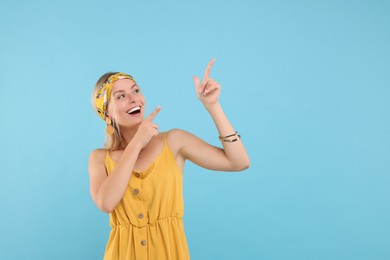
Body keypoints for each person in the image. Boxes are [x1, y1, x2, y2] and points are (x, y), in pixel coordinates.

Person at [88, 58, 250, 260]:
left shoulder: (174, 141)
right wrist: (136, 144)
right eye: (121, 96)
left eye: (136, 90)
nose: (133, 99)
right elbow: (106, 203)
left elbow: (239, 162)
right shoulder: (99, 158)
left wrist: (213, 106)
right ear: (107, 115)